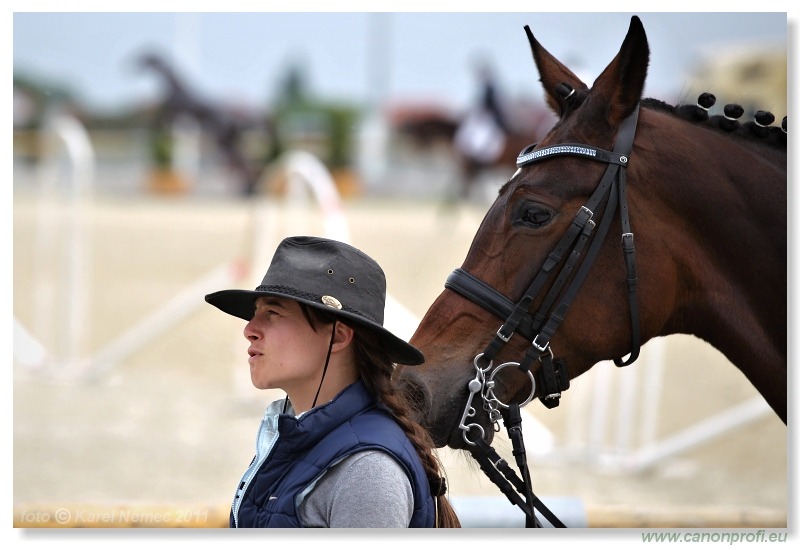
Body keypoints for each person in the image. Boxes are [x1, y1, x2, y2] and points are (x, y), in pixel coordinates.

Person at [205, 236, 461, 528]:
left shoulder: (367, 471)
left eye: (273, 313)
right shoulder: (300, 438)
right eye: (255, 313)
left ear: (338, 336)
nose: (250, 330)